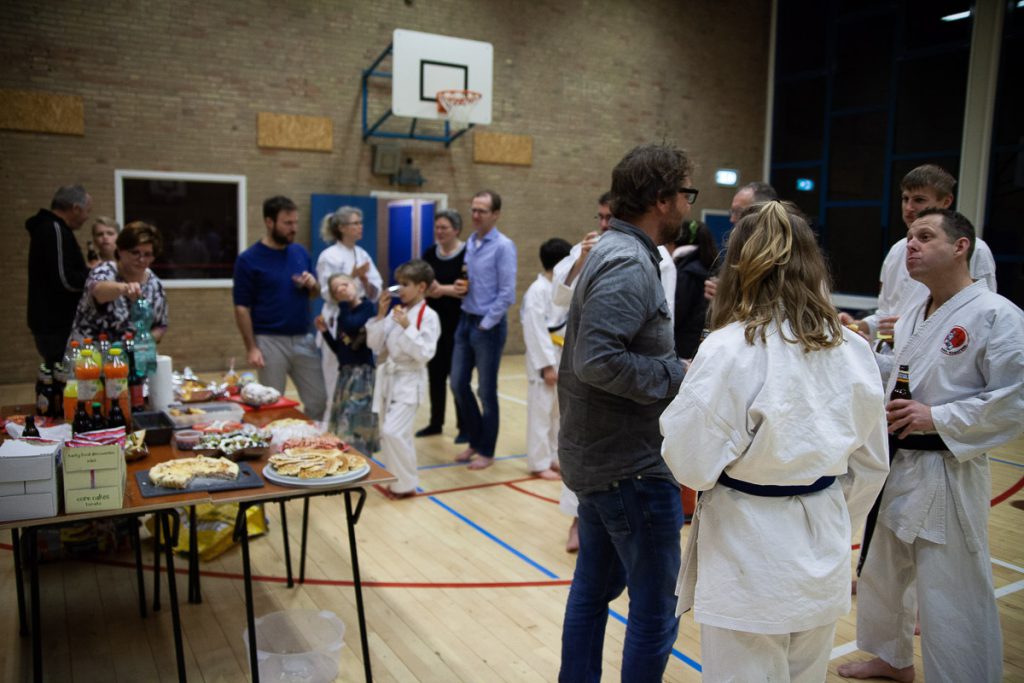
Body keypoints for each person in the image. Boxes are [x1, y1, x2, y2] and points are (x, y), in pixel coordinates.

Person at [660, 201, 889, 682]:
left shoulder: (729, 348)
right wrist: (824, 513)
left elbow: (690, 464)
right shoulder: (853, 349)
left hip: (748, 558)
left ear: (739, 267)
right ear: (812, 263)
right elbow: (871, 466)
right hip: (822, 548)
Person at [838, 209, 1022, 683]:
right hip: (899, 463)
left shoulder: (997, 315)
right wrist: (849, 347)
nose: (911, 246)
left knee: (952, 586)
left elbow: (1014, 399)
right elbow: (898, 378)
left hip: (948, 468)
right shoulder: (914, 315)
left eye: (925, 236)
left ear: (962, 247)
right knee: (884, 570)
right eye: (908, 237)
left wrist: (936, 417)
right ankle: (891, 658)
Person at [557, 143, 691, 682]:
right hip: (628, 469)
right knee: (656, 610)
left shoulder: (620, 252)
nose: (689, 204)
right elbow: (598, 361)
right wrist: (679, 373)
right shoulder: (628, 261)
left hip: (608, 460)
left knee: (593, 591)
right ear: (661, 199)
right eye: (686, 192)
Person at [842, 165, 998, 343]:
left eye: (919, 200)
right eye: (905, 199)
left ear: (946, 202)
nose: (909, 207)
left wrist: (907, 331)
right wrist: (857, 326)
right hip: (893, 359)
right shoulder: (896, 251)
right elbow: (886, 317)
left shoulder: (975, 250)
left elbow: (981, 321)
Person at [550, 192, 615, 553]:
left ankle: (605, 522)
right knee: (577, 438)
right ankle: (577, 519)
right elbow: (559, 296)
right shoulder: (584, 248)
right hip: (582, 356)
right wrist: (583, 262)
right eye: (600, 217)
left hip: (619, 359)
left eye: (611, 217)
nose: (603, 225)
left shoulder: (646, 252)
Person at [233, 196, 327, 422]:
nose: (293, 228)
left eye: (295, 222)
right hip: (269, 341)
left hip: (303, 338)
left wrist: (313, 285)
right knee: (271, 405)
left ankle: (308, 445)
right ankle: (276, 451)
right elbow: (241, 308)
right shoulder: (249, 259)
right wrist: (252, 347)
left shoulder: (300, 253)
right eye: (287, 223)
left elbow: (315, 293)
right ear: (269, 221)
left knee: (319, 399)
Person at [450, 190, 517, 470]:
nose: (475, 215)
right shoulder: (471, 244)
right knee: (457, 383)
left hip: (487, 325)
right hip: (466, 318)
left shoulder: (503, 246)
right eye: (473, 210)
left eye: (482, 211)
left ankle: (486, 450)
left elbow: (507, 293)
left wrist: (485, 323)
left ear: (495, 214)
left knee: (486, 392)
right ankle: (475, 441)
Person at [366, 259, 441, 499]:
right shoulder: (397, 314)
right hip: (390, 379)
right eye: (398, 284)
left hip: (410, 380)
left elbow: (425, 354)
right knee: (395, 435)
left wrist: (409, 327)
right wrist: (380, 315)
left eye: (405, 284)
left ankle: (406, 483)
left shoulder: (428, 316)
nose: (400, 290)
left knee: (393, 432)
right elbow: (374, 344)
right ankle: (399, 483)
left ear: (421, 287)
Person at [316, 206, 383, 418]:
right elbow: (327, 292)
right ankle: (331, 419)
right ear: (342, 228)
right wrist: (351, 276)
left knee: (360, 369)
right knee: (334, 371)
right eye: (355, 223)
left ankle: (356, 420)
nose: (360, 227)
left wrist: (363, 279)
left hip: (360, 319)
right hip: (338, 318)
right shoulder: (329, 256)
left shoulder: (362, 254)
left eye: (360, 223)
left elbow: (375, 289)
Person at [521, 237, 572, 481]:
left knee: (557, 414)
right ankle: (538, 462)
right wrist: (547, 366)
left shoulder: (558, 288)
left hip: (561, 354)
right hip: (544, 360)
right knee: (541, 413)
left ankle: (554, 457)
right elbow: (535, 330)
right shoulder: (537, 291)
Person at [26, 184, 93, 366]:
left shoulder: (53, 229)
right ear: (75, 209)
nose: (87, 217)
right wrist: (92, 274)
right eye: (87, 211)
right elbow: (65, 280)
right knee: (63, 374)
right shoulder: (54, 229)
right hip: (56, 324)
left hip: (52, 323)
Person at [70, 221, 169, 343]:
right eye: (135, 252)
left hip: (130, 356)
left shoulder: (155, 284)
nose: (142, 259)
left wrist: (146, 341)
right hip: (90, 355)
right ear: (121, 251)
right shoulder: (104, 270)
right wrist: (124, 288)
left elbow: (161, 325)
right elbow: (98, 290)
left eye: (147, 254)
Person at [417, 209, 468, 439]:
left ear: (456, 229)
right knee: (435, 375)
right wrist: (430, 289)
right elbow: (421, 283)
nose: (439, 232)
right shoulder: (429, 253)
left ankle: (463, 427)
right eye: (437, 227)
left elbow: (468, 289)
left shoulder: (467, 254)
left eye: (444, 228)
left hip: (458, 323)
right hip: (433, 324)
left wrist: (442, 290)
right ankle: (435, 422)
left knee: (457, 377)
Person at [315, 273, 378, 456]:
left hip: (362, 373)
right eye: (336, 290)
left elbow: (353, 324)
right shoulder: (343, 313)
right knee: (343, 422)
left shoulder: (366, 307)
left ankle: (363, 459)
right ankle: (347, 460)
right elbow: (341, 349)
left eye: (344, 285)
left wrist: (341, 304)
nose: (342, 289)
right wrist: (325, 332)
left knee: (357, 420)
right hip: (345, 374)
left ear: (354, 285)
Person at [704, 181, 778, 301]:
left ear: (762, 212)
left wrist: (728, 298)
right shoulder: (738, 250)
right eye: (732, 212)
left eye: (738, 212)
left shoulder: (780, 256)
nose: (732, 219)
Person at [671, 219, 716, 359]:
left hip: (683, 345)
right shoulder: (708, 265)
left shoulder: (686, 272)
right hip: (698, 339)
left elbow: (677, 312)